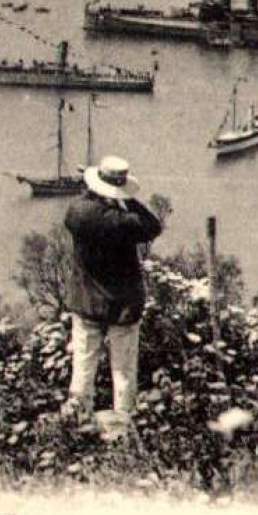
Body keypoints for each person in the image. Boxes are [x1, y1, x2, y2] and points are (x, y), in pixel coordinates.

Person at [61, 155, 164, 432]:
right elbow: (153, 225)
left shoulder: (77, 213)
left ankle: (78, 422)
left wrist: (93, 188)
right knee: (124, 371)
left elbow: (86, 205)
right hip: (124, 305)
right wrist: (126, 197)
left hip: (87, 302)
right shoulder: (126, 221)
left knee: (82, 366)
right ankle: (124, 427)